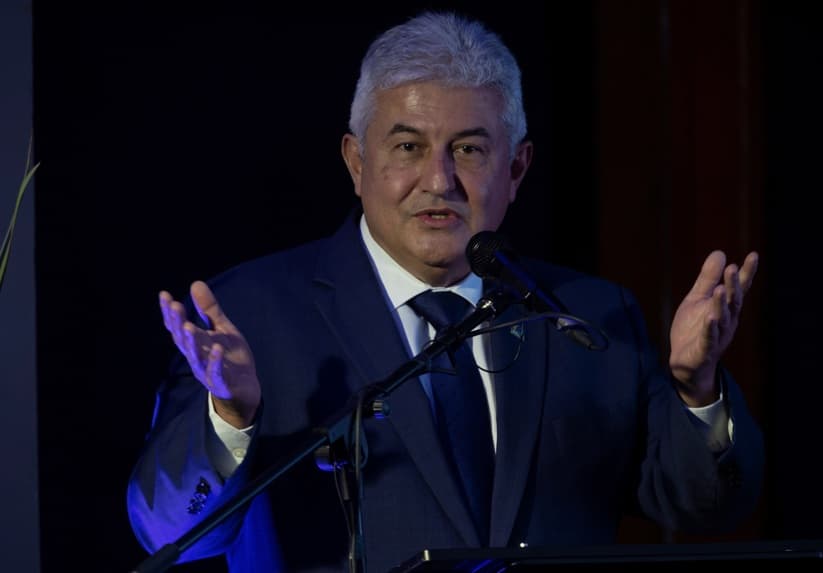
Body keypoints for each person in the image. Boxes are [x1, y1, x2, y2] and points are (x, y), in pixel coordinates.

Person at [127, 11, 764, 573]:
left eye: (468, 148)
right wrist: (231, 420)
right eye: (408, 146)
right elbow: (169, 535)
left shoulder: (588, 317)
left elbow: (704, 505)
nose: (439, 180)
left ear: (516, 169)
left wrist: (696, 389)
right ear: (356, 162)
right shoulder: (255, 316)